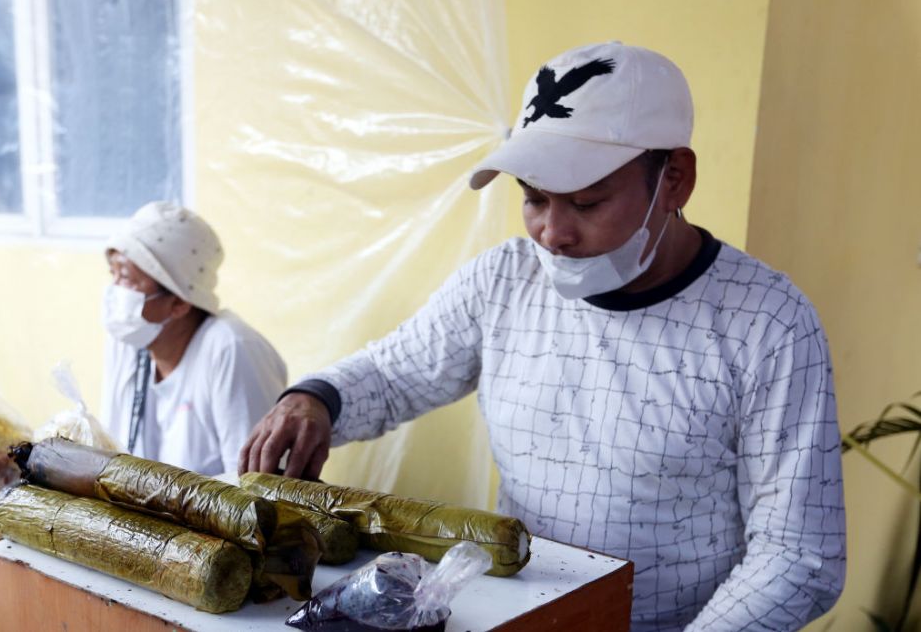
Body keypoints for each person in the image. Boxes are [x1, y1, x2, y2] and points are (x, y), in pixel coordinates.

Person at [240, 42, 845, 630]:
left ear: (675, 179)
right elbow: (397, 373)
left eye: (586, 202)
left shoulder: (768, 323)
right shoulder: (504, 280)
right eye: (533, 199)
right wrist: (315, 400)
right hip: (520, 615)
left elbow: (797, 556)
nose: (552, 233)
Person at [100, 201, 287, 474]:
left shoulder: (232, 351)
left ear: (179, 303)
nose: (114, 292)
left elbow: (255, 489)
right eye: (112, 274)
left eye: (126, 279)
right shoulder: (128, 342)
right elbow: (111, 456)